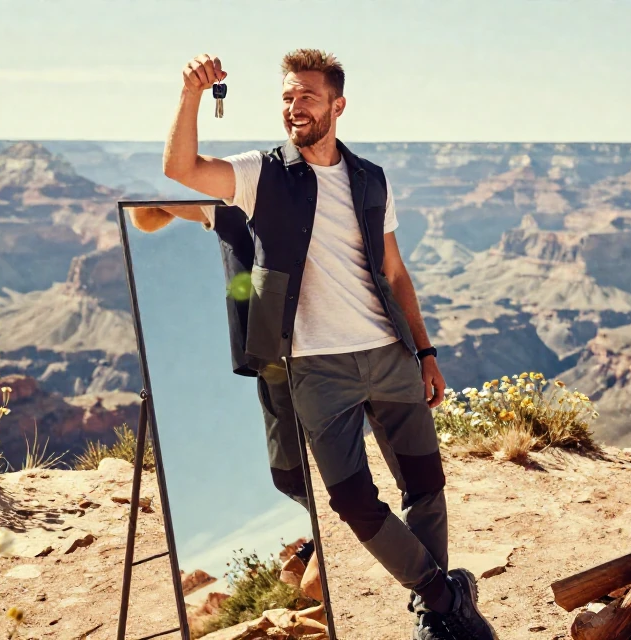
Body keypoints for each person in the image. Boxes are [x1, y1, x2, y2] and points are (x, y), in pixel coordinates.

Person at [159, 49, 498, 640]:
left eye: (308, 96)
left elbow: (394, 271)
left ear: (337, 105)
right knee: (351, 500)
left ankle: (436, 620)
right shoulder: (261, 174)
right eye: (287, 96)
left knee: (426, 488)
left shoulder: (370, 179)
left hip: (390, 355)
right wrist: (190, 94)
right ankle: (443, 595)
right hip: (317, 371)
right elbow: (182, 170)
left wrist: (425, 352)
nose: (295, 107)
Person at [129, 202, 406, 599]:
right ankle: (352, 547)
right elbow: (144, 217)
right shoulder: (235, 195)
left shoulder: (249, 197)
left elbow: (144, 218)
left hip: (319, 346)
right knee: (297, 473)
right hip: (300, 349)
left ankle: (380, 555)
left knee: (313, 473)